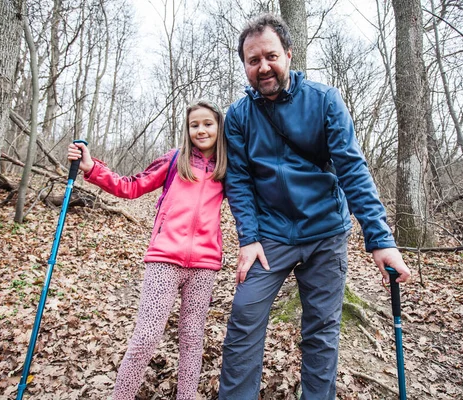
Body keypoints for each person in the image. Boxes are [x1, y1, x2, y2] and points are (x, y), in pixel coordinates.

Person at [218, 13, 412, 400]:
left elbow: (353, 169)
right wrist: (249, 238)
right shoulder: (238, 116)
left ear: (288, 54)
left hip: (326, 232)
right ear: (245, 66)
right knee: (245, 317)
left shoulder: (324, 101)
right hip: (271, 235)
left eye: (270, 56)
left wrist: (381, 239)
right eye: (253, 61)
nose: (263, 67)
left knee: (322, 332)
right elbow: (237, 181)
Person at [67, 100, 227, 400]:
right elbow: (130, 186)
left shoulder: (226, 167)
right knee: (146, 337)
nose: (201, 130)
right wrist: (91, 168)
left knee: (192, 340)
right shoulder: (175, 160)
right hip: (164, 260)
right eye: (195, 125)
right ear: (187, 128)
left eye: (208, 123)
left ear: (219, 126)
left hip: (205, 264)